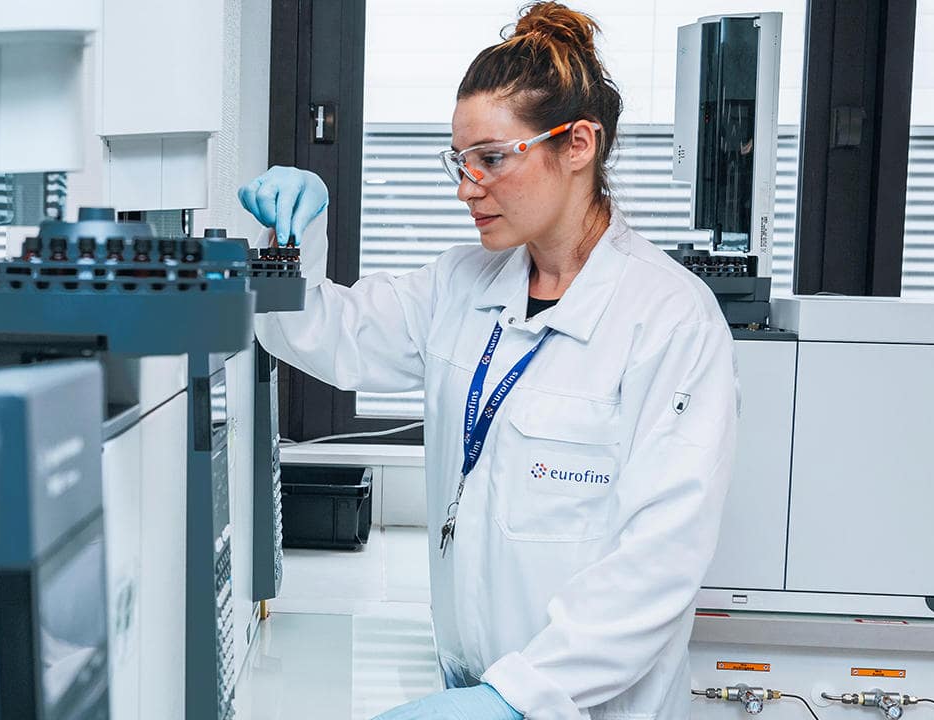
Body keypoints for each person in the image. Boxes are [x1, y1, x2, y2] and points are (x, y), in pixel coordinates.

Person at [238, 3, 739, 719]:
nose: (468, 186)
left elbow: (659, 563)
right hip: (470, 688)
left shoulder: (669, 321)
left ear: (578, 146)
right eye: (460, 161)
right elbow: (321, 335)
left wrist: (515, 698)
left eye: (492, 159)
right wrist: (291, 239)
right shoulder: (459, 285)